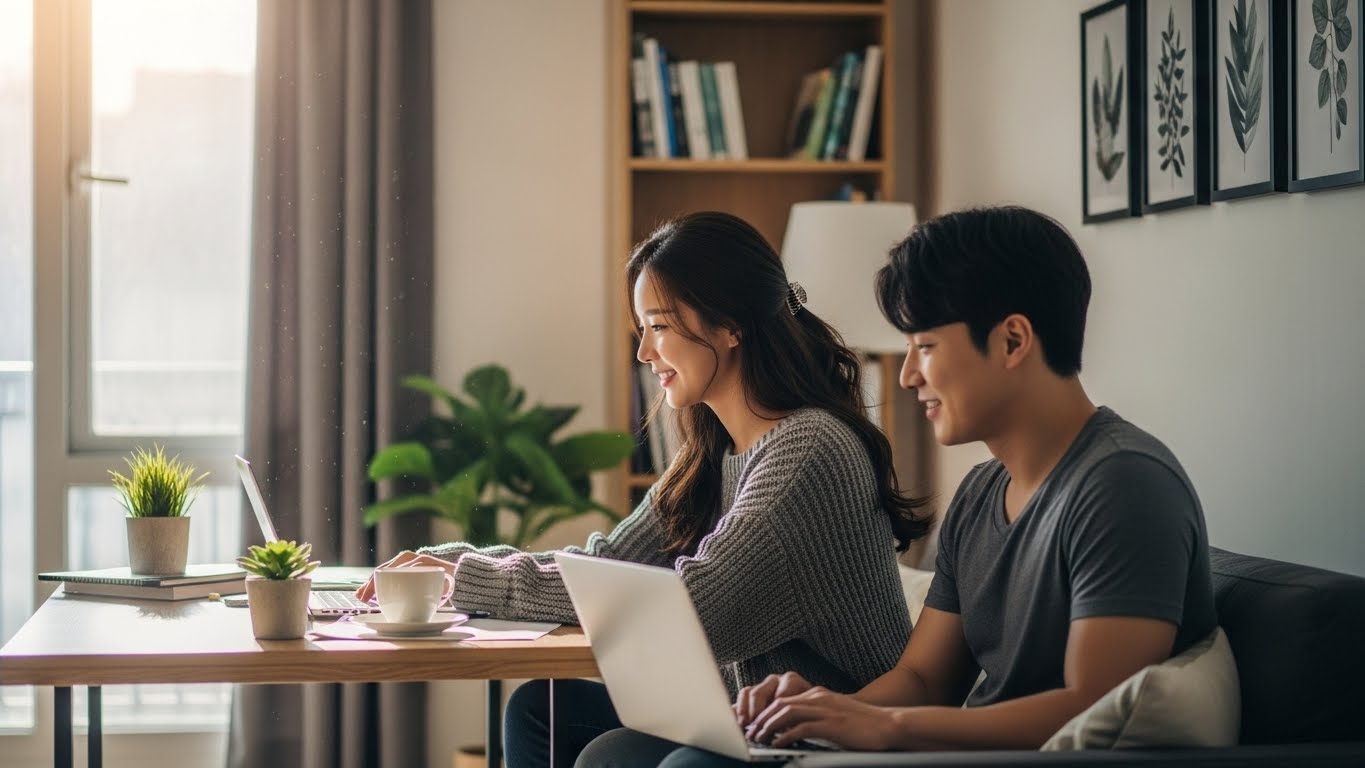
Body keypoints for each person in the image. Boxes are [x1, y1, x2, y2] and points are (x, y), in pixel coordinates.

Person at [580, 205, 1219, 766]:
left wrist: (882, 727)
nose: (910, 375)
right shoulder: (980, 494)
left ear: (1013, 340)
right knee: (613, 749)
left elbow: (1089, 710)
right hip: (940, 747)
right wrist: (829, 710)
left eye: (926, 345)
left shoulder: (1123, 485)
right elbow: (921, 678)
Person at [356, 211, 931, 767]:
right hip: (748, 721)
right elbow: (604, 565)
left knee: (615, 752)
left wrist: (474, 579)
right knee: (540, 710)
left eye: (658, 327)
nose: (644, 354)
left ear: (731, 326)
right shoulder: (712, 452)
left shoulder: (807, 451)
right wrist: (460, 566)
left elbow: (699, 609)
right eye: (643, 330)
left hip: (834, 739)